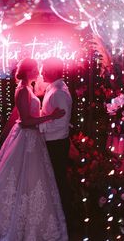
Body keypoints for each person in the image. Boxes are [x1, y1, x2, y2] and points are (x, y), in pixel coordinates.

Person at [0, 58, 68, 241]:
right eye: (36, 69)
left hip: (32, 139)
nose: (39, 72)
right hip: (26, 138)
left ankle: (30, 222)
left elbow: (18, 116)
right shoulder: (23, 90)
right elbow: (25, 121)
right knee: (21, 178)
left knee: (31, 180)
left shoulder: (28, 89)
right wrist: (50, 117)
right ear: (28, 71)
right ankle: (15, 223)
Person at [40, 57, 73, 231]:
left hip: (56, 143)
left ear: (53, 71)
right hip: (53, 142)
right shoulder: (53, 88)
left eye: (45, 68)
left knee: (58, 181)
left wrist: (38, 125)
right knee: (55, 181)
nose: (42, 71)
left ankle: (66, 221)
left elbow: (61, 123)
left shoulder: (59, 92)